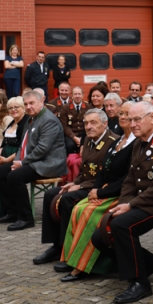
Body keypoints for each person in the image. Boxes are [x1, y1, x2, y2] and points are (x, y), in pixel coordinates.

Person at [88, 102, 153, 304]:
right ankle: (150, 263)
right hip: (144, 202)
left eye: (137, 119)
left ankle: (140, 283)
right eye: (130, 119)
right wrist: (122, 204)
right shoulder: (139, 141)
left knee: (121, 225)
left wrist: (131, 206)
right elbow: (130, 179)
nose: (132, 124)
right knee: (100, 236)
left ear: (152, 117)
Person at [59, 101, 136, 281]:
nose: (123, 117)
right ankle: (71, 258)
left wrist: (100, 193)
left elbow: (127, 179)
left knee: (87, 212)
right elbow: (102, 169)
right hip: (104, 190)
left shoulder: (135, 143)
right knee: (78, 208)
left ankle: (82, 266)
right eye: (122, 114)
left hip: (122, 195)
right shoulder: (118, 141)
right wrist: (94, 190)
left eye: (128, 114)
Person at [34, 108, 119, 267]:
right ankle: (56, 246)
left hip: (99, 188)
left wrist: (80, 185)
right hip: (84, 184)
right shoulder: (87, 139)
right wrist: (74, 182)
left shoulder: (113, 142)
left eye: (93, 123)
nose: (88, 127)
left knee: (67, 200)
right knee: (50, 194)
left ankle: (70, 250)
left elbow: (105, 176)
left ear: (105, 123)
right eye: (86, 123)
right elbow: (84, 169)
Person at [0, 90, 67, 231]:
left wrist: (21, 163)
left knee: (15, 177)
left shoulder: (48, 120)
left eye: (32, 103)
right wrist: (18, 161)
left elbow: (42, 149)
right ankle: (13, 212)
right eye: (26, 104)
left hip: (49, 163)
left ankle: (26, 218)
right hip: (33, 161)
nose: (28, 107)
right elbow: (23, 144)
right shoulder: (31, 119)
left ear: (41, 102)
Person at [61, 86, 87, 154]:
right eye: (75, 94)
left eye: (79, 94)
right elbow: (64, 126)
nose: (77, 96)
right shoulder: (65, 108)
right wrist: (74, 137)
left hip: (85, 134)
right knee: (69, 145)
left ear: (83, 95)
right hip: (70, 135)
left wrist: (83, 138)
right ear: (72, 96)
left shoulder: (88, 107)